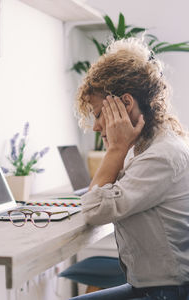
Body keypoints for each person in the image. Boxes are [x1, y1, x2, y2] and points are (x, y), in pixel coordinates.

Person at [70, 37, 189, 300]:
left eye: (99, 113)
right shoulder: (146, 147)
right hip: (152, 287)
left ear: (126, 103)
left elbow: (94, 210)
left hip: (168, 293)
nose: (97, 126)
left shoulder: (161, 155)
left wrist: (115, 148)